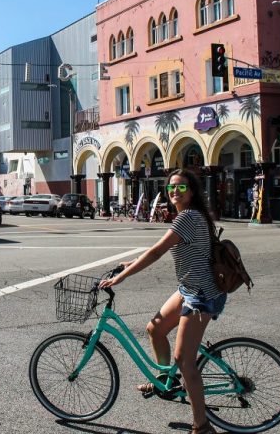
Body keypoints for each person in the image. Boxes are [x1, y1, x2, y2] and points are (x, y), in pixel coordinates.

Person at [99, 169, 225, 434]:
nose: (175, 192)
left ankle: (202, 426)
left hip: (200, 295)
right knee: (155, 329)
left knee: (184, 360)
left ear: (191, 192)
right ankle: (164, 381)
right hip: (189, 289)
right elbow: (166, 249)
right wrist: (130, 263)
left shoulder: (188, 217)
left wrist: (122, 276)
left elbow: (157, 251)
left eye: (181, 187)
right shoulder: (188, 216)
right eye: (171, 188)